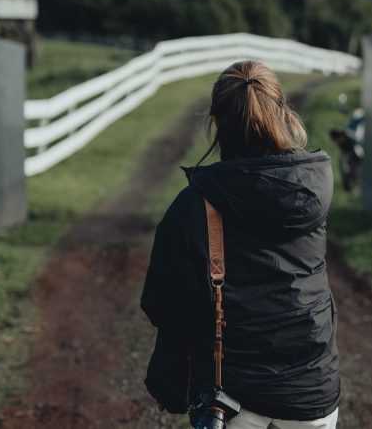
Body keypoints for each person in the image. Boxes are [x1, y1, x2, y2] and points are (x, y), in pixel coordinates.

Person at [140, 60, 340, 428]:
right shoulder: (312, 188)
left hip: (230, 398)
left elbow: (160, 303)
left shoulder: (192, 206)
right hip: (314, 392)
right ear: (282, 111)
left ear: (215, 122)